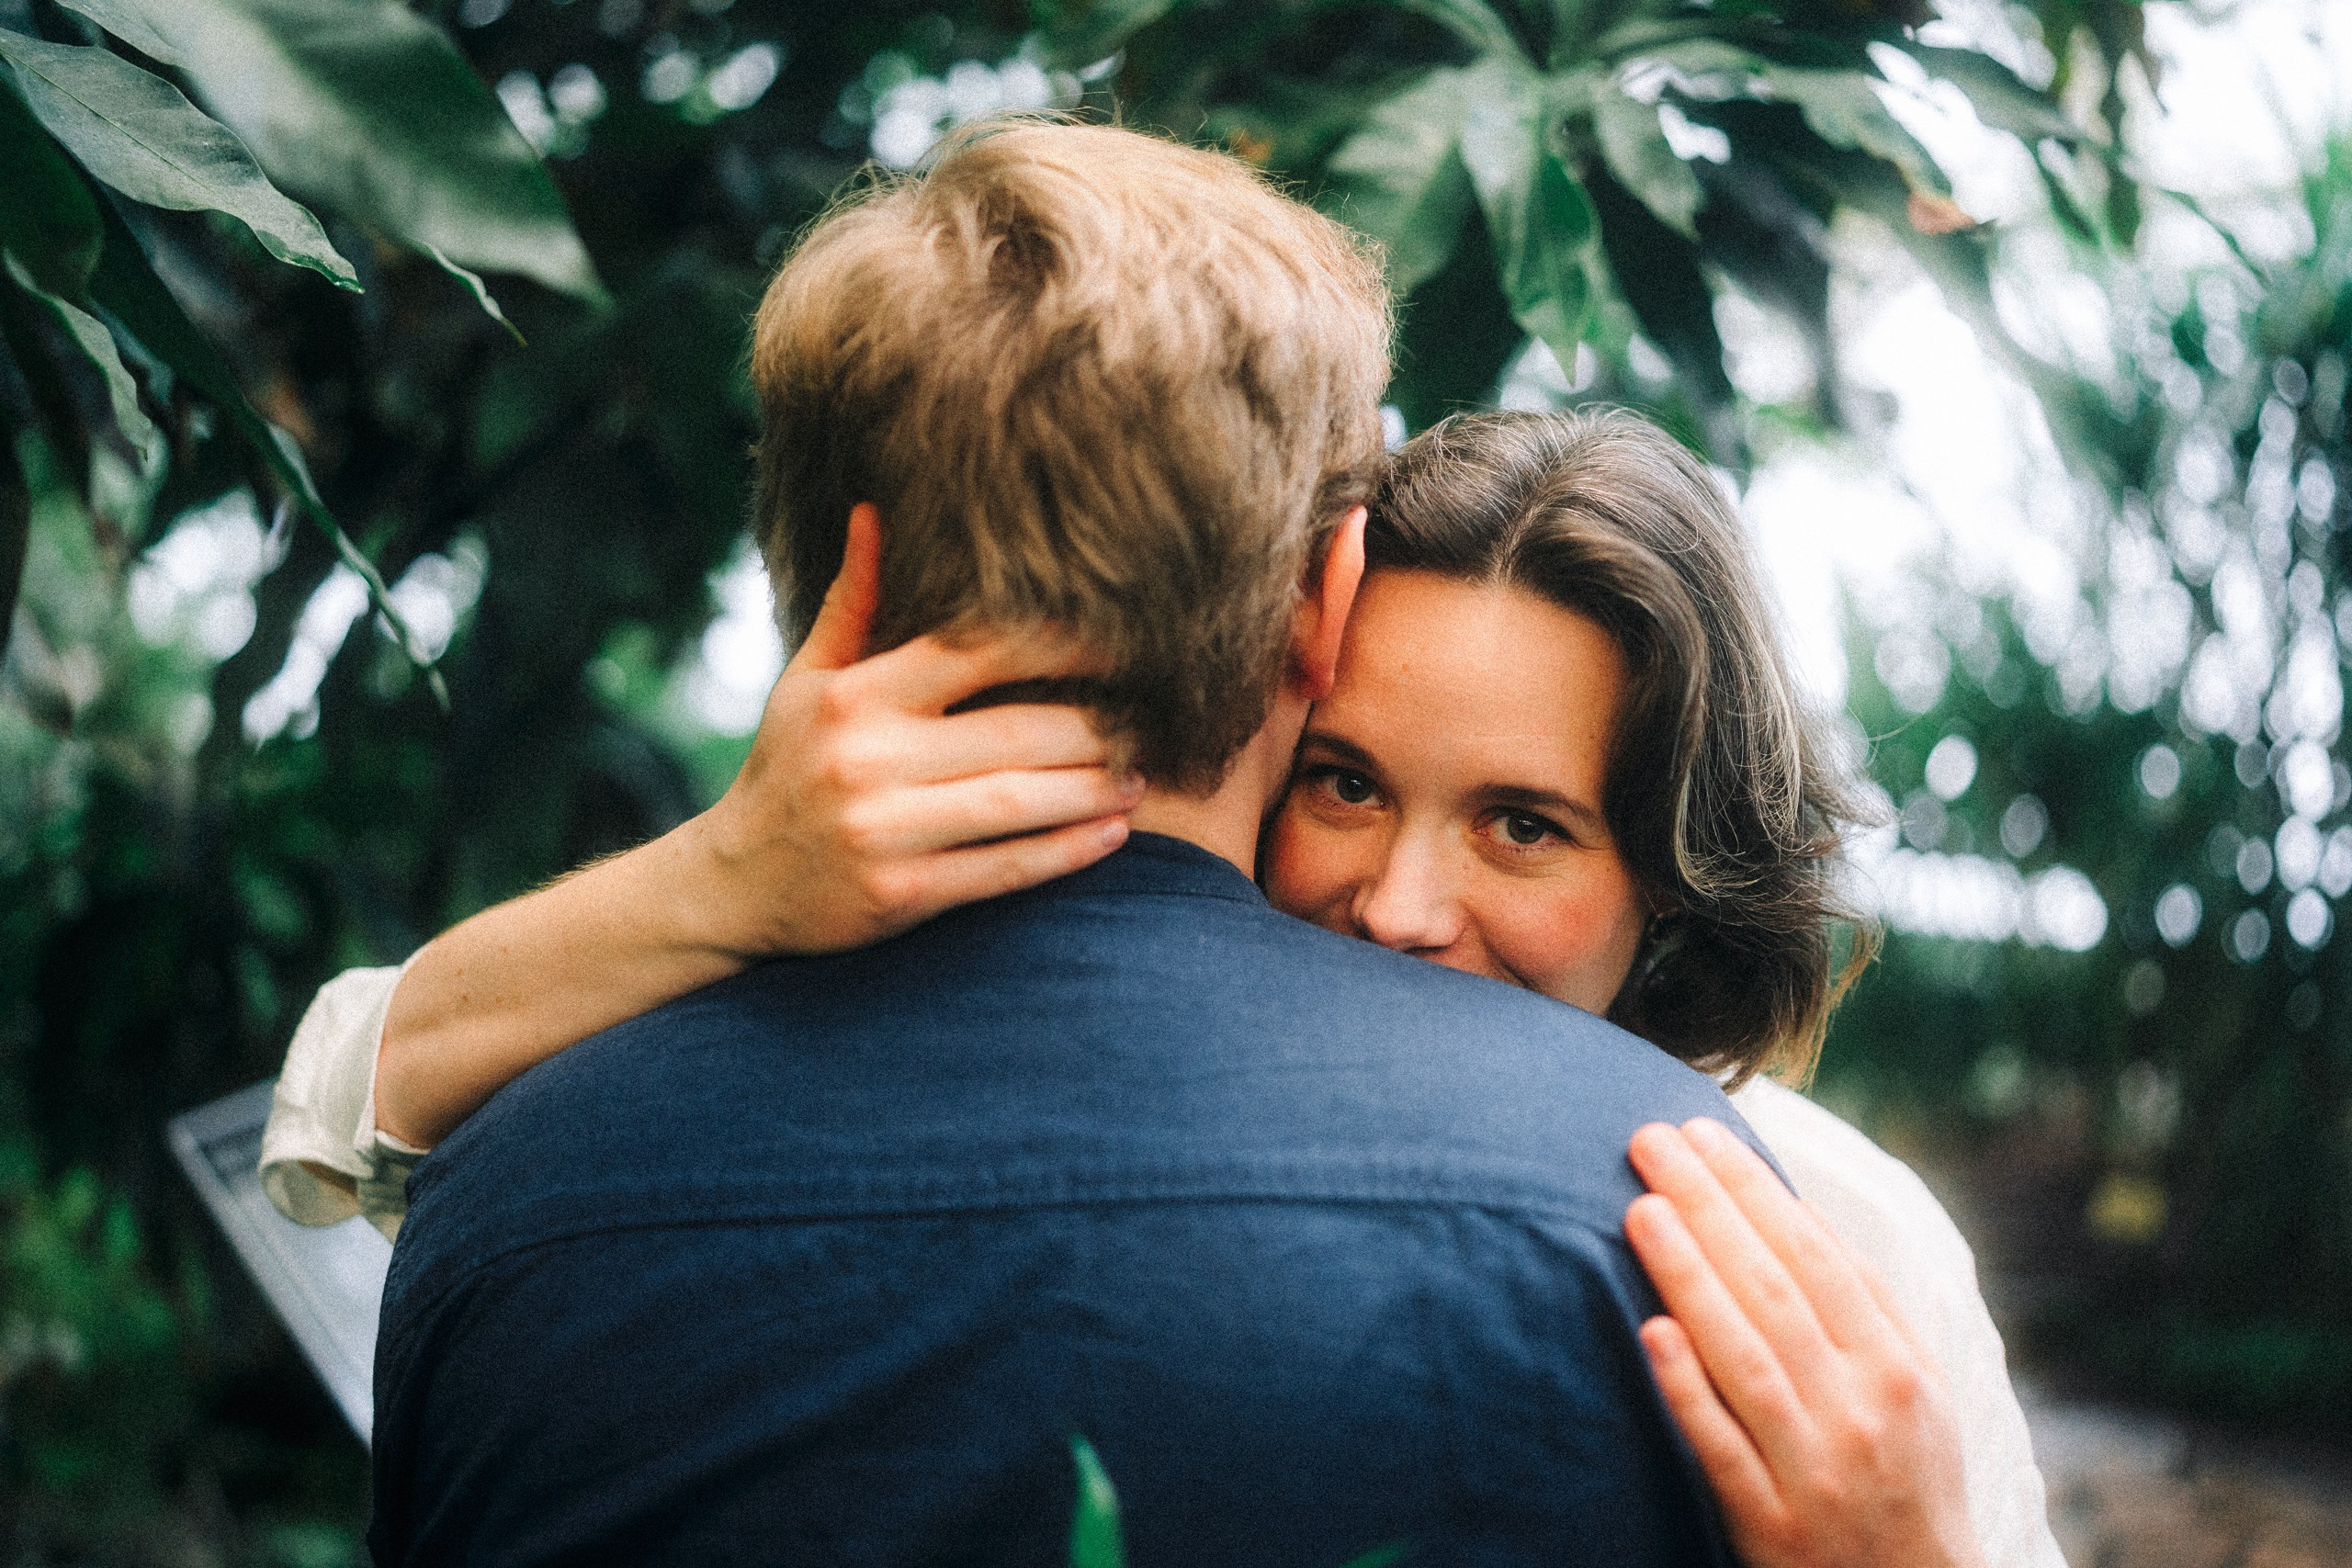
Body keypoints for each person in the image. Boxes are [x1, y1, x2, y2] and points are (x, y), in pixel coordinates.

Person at [355, 121, 1764, 1566]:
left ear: (818, 561)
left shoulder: (493, 1210)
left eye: (1524, 826)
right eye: (1350, 787)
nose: (1406, 910)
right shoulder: (1674, 1240)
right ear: (1327, 601)